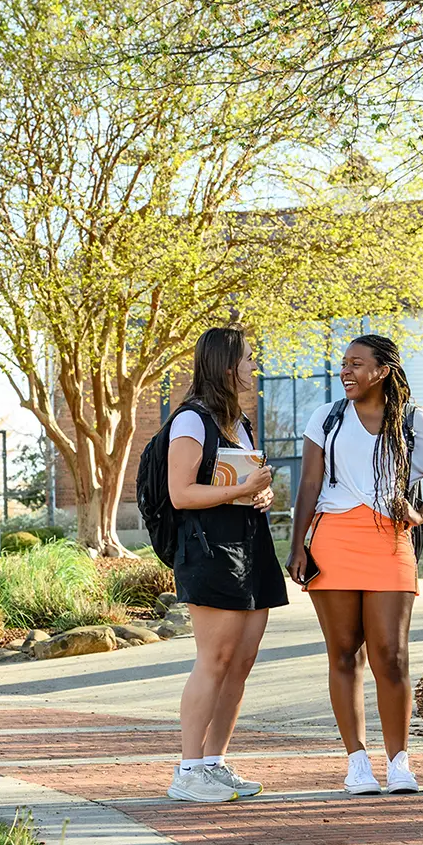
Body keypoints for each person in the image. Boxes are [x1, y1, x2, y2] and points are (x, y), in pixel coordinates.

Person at [287, 334, 423, 795]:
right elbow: (308, 485)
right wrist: (297, 544)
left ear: (382, 371)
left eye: (356, 364)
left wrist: (421, 514)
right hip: (333, 539)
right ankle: (356, 763)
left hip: (390, 540)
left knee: (392, 655)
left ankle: (399, 762)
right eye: (343, 364)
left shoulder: (413, 421)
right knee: (344, 654)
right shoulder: (324, 418)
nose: (346, 372)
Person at [166, 327, 289, 803]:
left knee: (240, 662)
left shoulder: (240, 422)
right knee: (213, 660)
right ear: (225, 366)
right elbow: (182, 494)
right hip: (210, 549)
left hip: (250, 545)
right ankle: (187, 769)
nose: (253, 367)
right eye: (248, 360)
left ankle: (213, 764)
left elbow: (235, 483)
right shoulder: (191, 421)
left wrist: (259, 492)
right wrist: (241, 490)